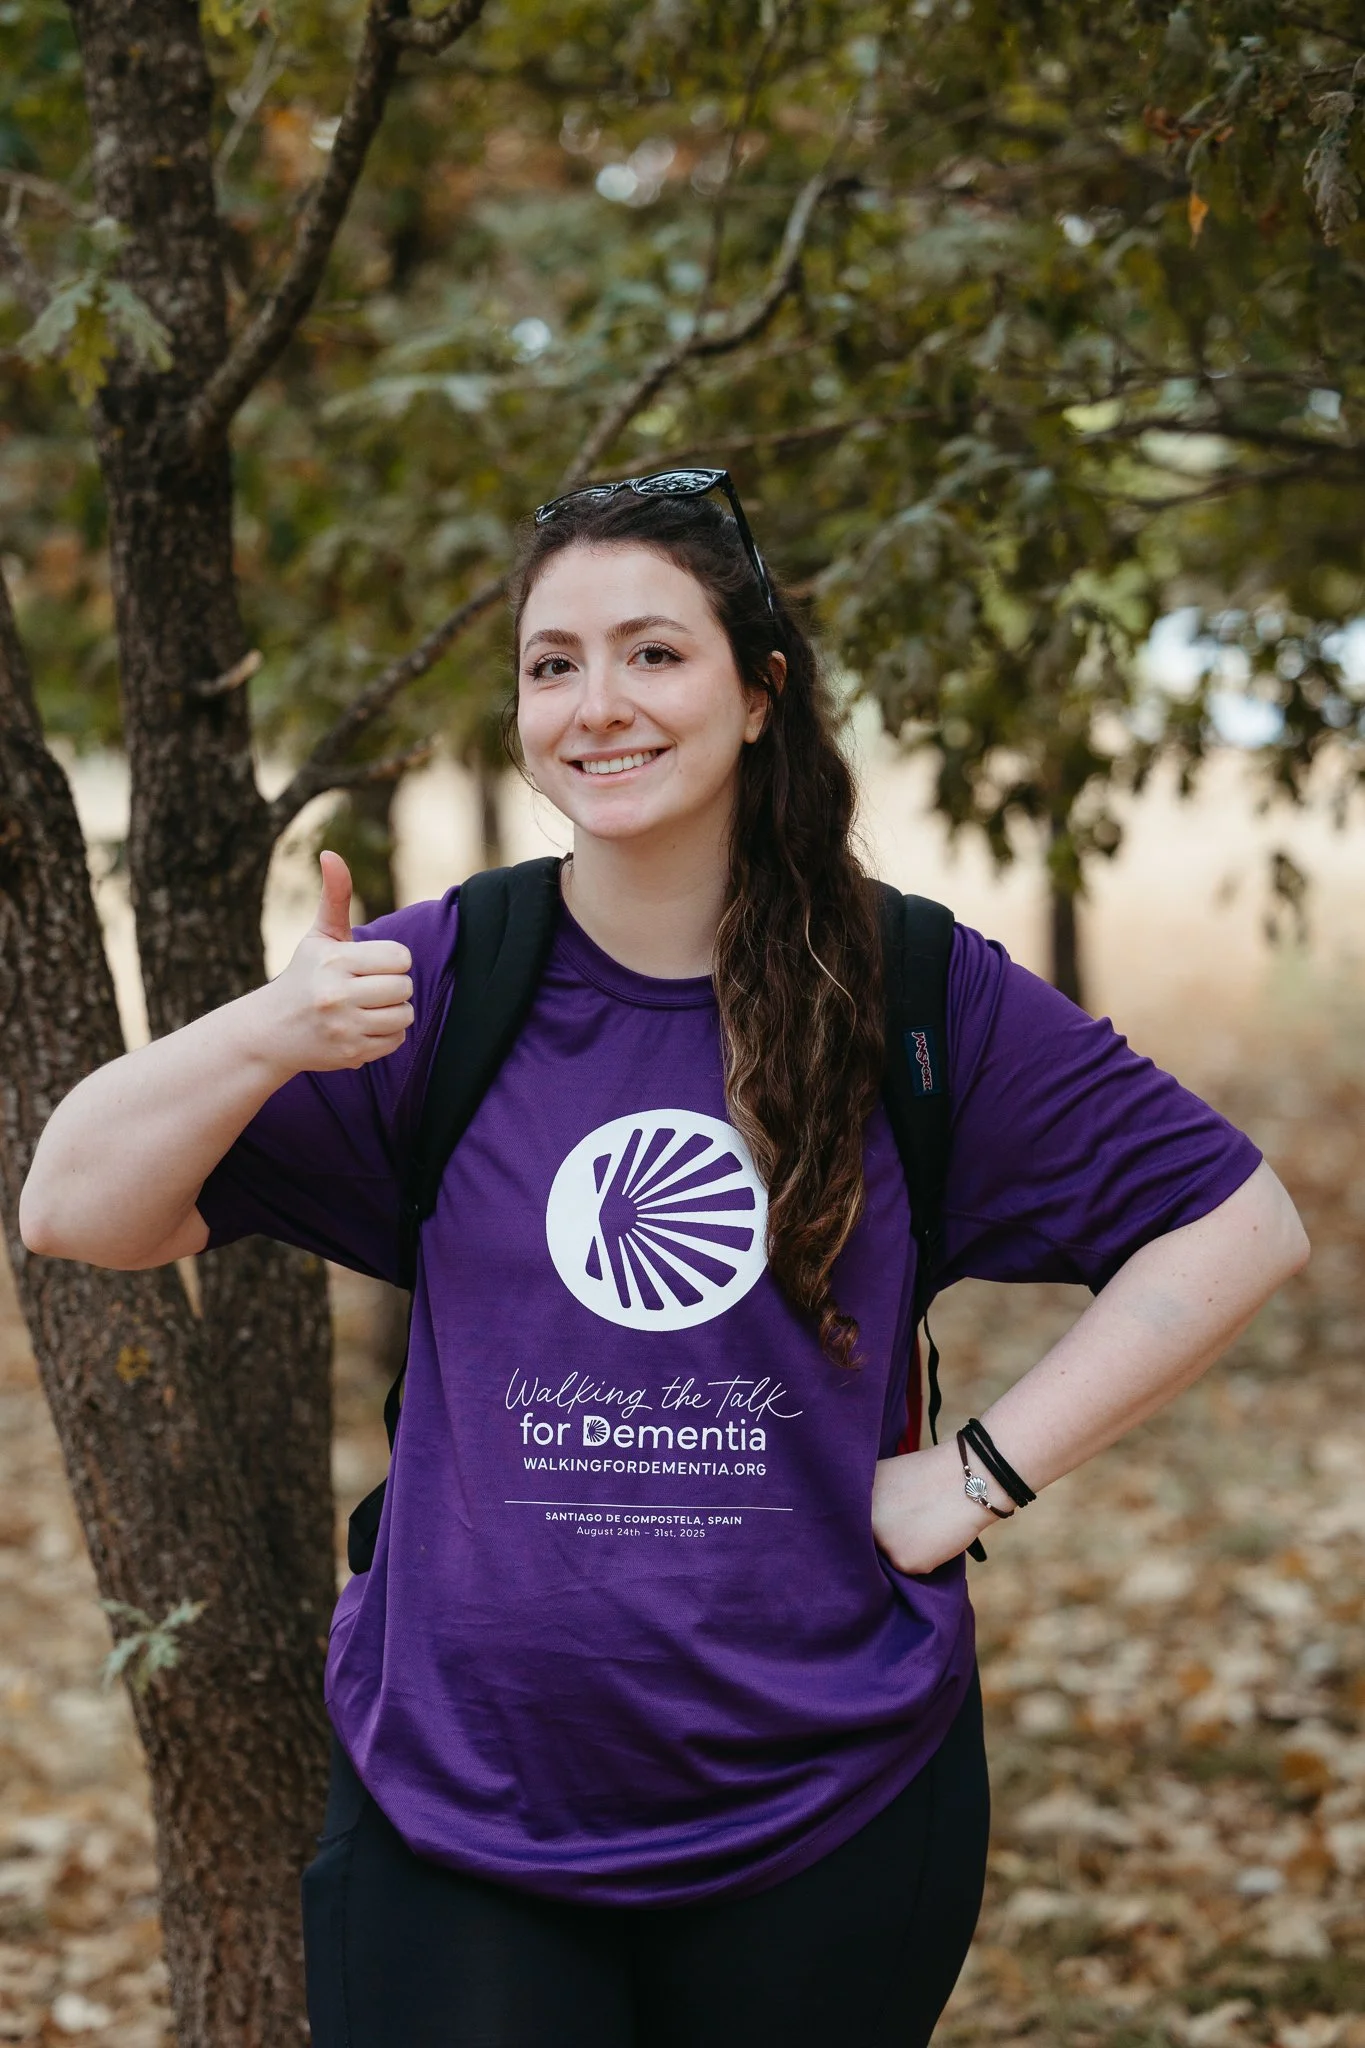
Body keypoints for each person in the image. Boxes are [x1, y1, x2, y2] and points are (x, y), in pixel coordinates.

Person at [21, 469, 1309, 2048]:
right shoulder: (449, 977)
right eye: (551, 664)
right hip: (457, 1800)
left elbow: (1241, 1219)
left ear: (760, 695)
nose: (595, 704)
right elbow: (75, 1206)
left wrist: (977, 1473)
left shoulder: (907, 988)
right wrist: (270, 1031)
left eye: (653, 653)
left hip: (824, 1800)